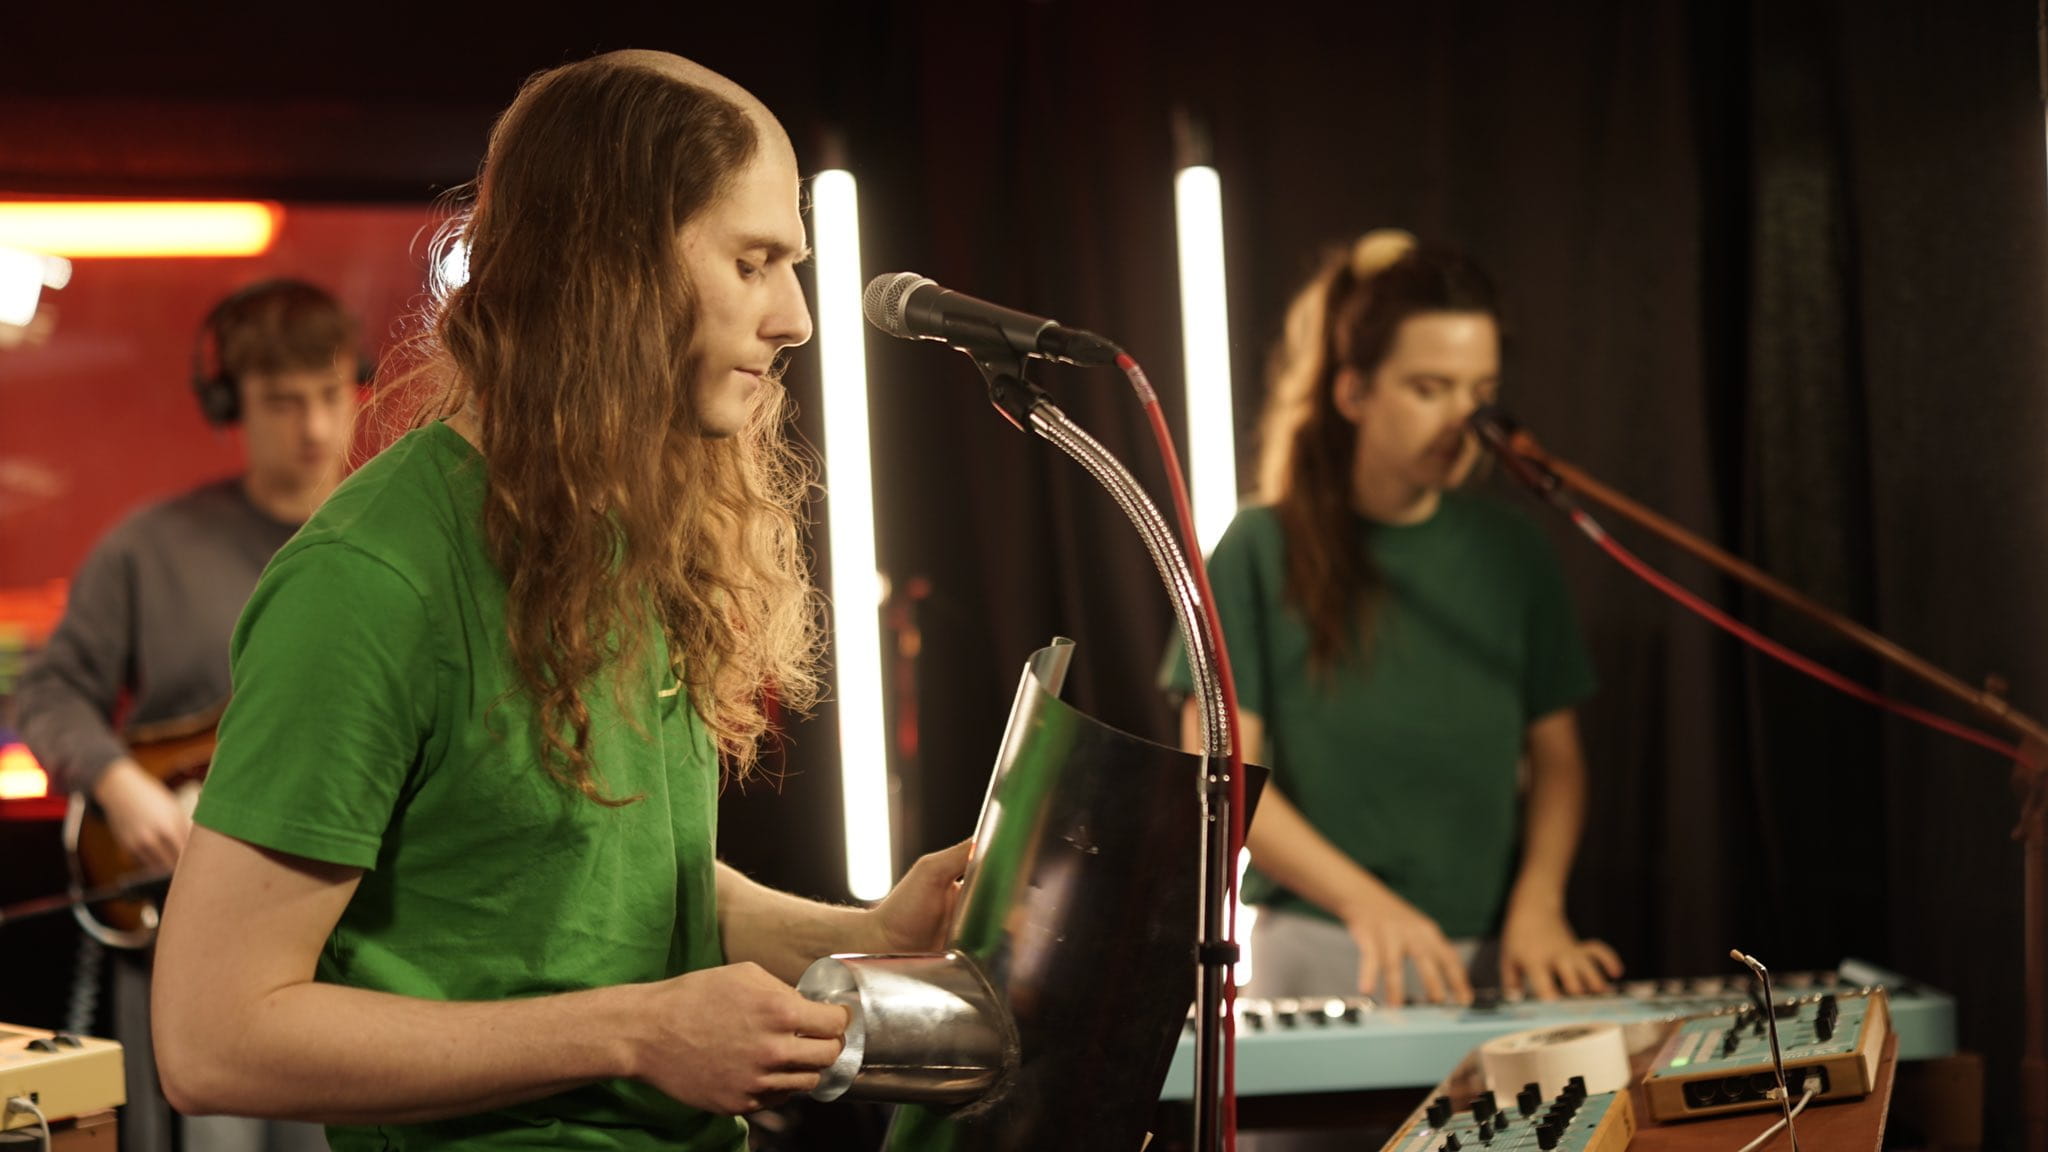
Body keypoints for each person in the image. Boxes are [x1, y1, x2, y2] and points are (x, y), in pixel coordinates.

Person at [149, 50, 968, 1152]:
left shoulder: (617, 530)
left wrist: (866, 934)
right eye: (752, 263)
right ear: (612, 268)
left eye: (792, 265)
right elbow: (211, 1036)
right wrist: (635, 1033)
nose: (795, 318)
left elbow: (585, 883)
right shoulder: (370, 581)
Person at [1163, 231, 1623, 1013]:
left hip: (1495, 952)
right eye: (1428, 389)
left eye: (1481, 392)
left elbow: (1558, 760)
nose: (1463, 420)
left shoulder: (1514, 551)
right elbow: (1222, 771)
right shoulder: (1258, 549)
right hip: (1321, 946)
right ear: (1353, 394)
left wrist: (1540, 902)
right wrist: (1366, 904)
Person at [10, 277, 359, 1152]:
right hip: (186, 936)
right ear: (228, 405)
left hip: (354, 938)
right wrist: (118, 785)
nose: (315, 427)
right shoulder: (149, 548)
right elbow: (48, 692)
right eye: (283, 402)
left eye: (330, 395)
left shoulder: (390, 547)